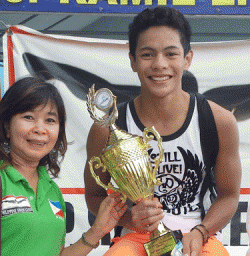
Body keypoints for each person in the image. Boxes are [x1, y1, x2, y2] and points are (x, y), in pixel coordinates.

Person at [84, 6, 241, 256]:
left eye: (171, 54)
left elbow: (230, 196)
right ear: (133, 60)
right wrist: (129, 219)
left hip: (198, 234)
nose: (159, 65)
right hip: (137, 237)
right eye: (147, 54)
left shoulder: (217, 120)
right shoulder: (108, 128)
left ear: (187, 59)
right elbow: (94, 196)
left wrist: (201, 232)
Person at [0, 77, 127, 256]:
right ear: (7, 126)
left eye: (50, 120)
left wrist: (96, 231)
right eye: (28, 117)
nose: (40, 129)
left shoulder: (52, 191)